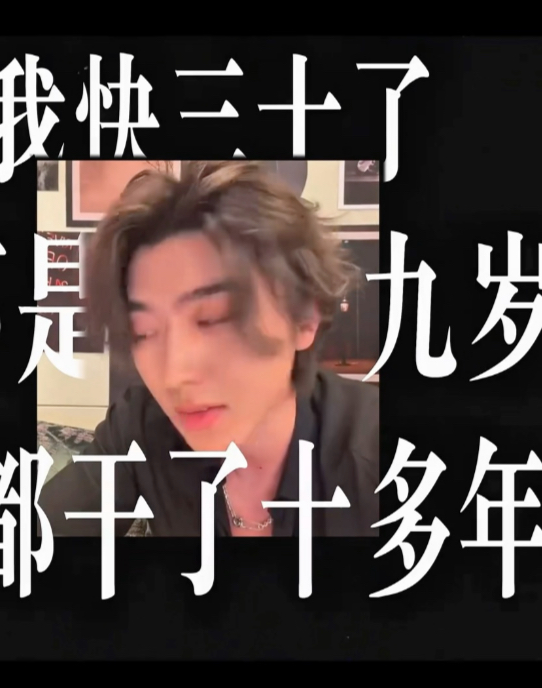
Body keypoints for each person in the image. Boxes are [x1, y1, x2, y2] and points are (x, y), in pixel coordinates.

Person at [38, 161, 379, 537]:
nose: (174, 375)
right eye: (144, 332)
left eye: (215, 318)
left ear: (305, 319)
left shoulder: (377, 453)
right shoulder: (143, 425)